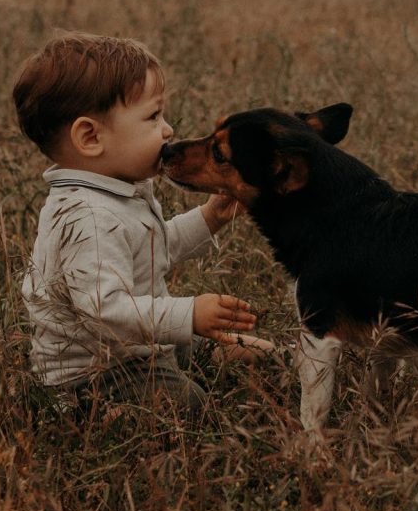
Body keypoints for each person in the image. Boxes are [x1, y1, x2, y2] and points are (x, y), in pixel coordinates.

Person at [14, 32, 272, 417]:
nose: (167, 130)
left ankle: (290, 361)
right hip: (98, 372)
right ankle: (92, 415)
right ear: (90, 137)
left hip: (139, 342)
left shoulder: (118, 190)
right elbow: (106, 313)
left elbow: (154, 246)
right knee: (187, 406)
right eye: (153, 117)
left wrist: (210, 218)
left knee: (246, 350)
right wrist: (189, 315)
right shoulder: (89, 217)